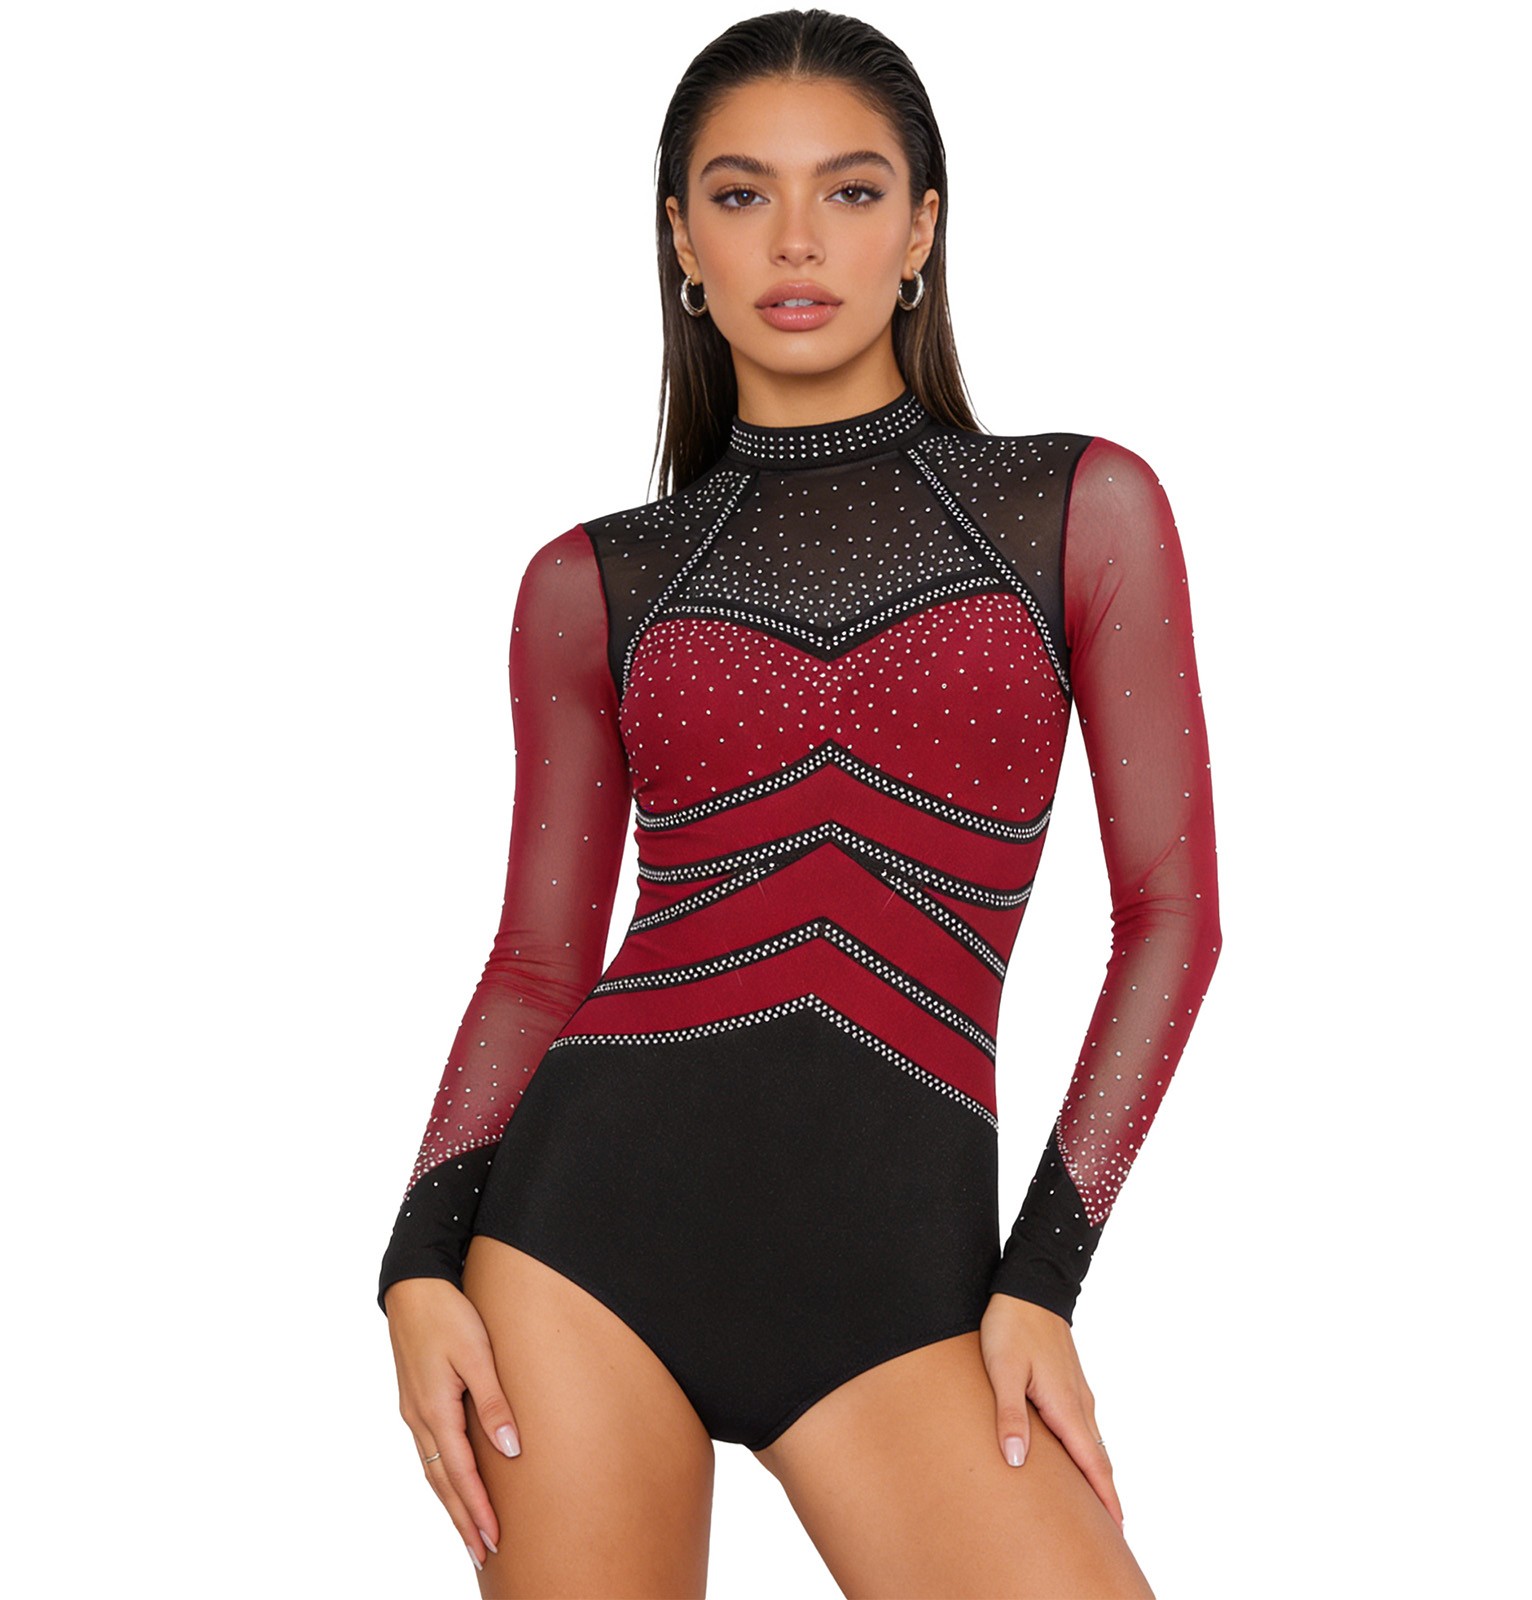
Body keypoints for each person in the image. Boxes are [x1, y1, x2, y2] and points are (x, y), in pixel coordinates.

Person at [377, 9, 1222, 1595]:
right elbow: (539, 964)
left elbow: (1173, 921)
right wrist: (414, 1263)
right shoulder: (592, 582)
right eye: (740, 192)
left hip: (907, 1287)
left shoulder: (1076, 508)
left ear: (923, 227)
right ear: (680, 240)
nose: (796, 238)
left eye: (849, 189)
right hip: (583, 1249)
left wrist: (1044, 1279)